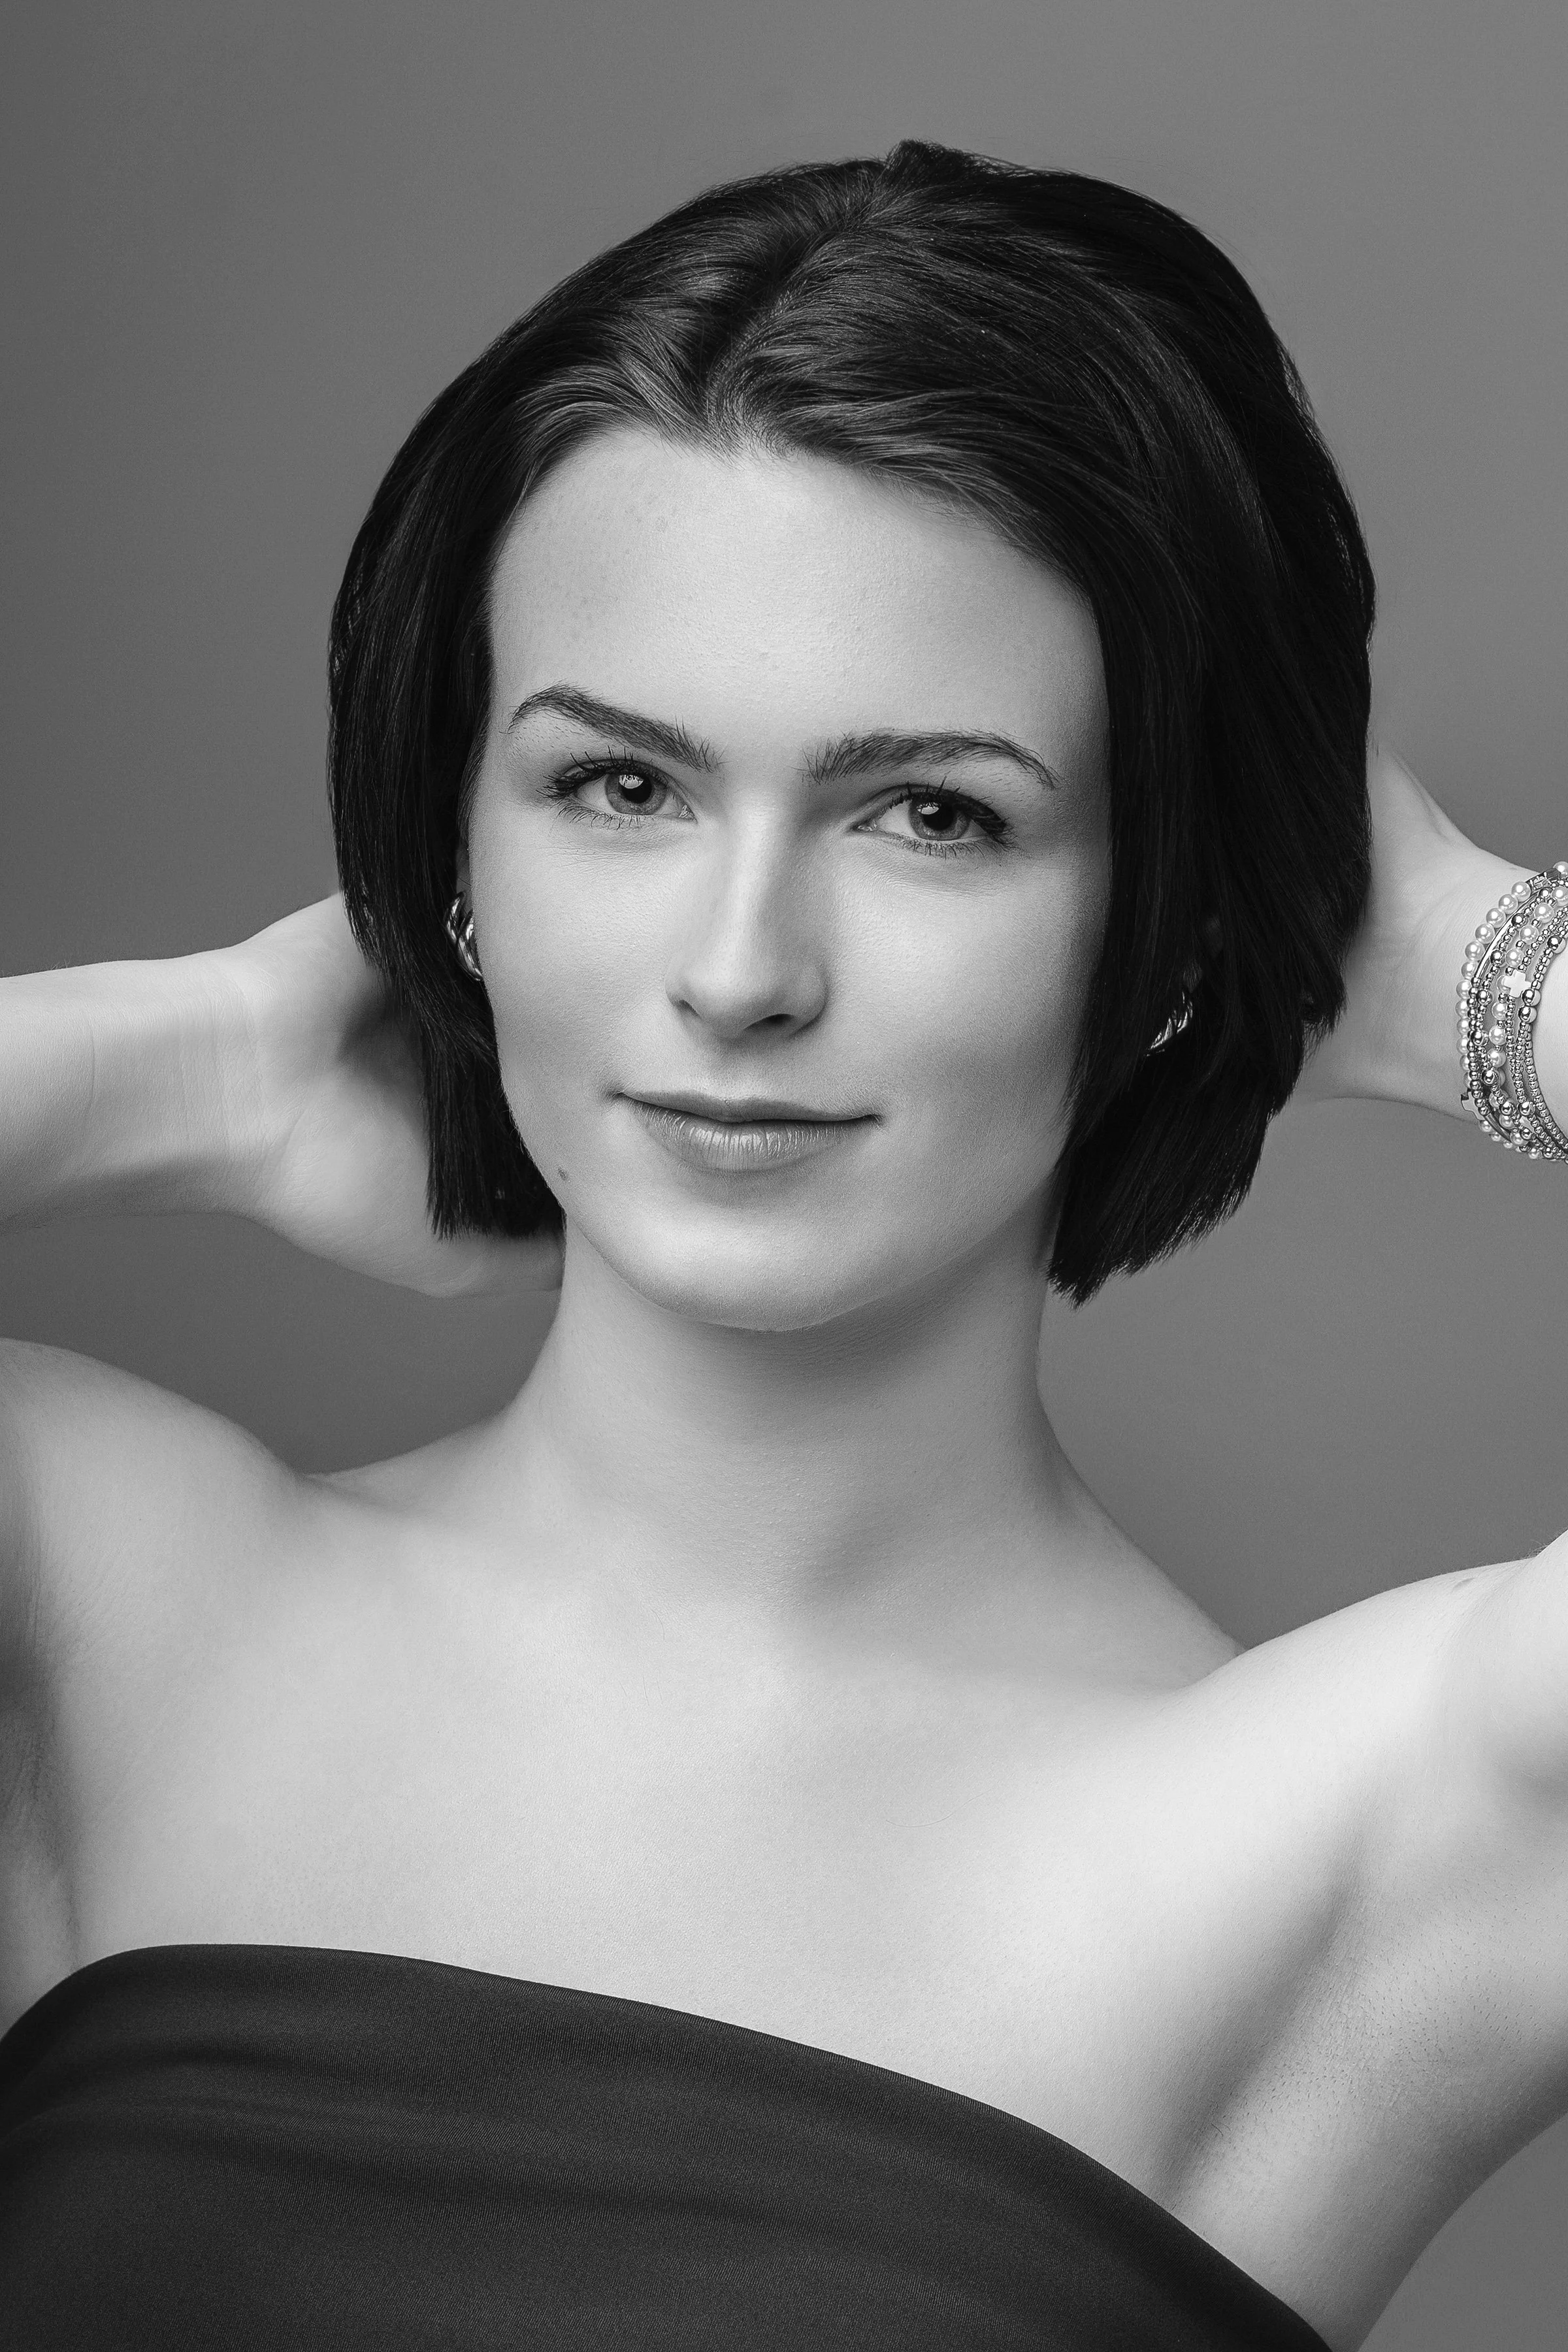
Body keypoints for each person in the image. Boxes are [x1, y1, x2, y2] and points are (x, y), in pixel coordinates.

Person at [0, 141, 1563, 2352]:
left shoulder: (1359, 1837)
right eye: (617, 790)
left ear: (1171, 920)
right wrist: (199, 1059)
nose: (740, 971)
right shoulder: (94, 1609)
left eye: (935, 816)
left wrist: (1476, 967)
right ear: (453, 855)